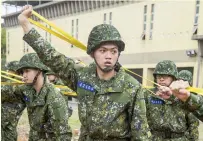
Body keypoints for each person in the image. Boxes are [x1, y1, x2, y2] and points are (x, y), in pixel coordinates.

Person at [18, 5, 151, 140]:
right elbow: (51, 56)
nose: (109, 56)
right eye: (103, 51)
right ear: (93, 53)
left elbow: (141, 134)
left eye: (114, 51)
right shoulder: (82, 77)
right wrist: (25, 24)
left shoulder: (132, 87)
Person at [2, 53, 72, 141]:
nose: (23, 75)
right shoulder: (27, 90)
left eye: (27, 71)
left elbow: (63, 136)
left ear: (39, 70)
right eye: (22, 72)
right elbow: (7, 91)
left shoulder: (54, 98)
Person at [143, 60, 199, 140]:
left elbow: (193, 123)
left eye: (165, 76)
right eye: (158, 76)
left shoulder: (182, 95)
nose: (161, 79)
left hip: (179, 138)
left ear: (173, 77)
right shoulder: (148, 94)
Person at [1, 61, 26, 141]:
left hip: (8, 121)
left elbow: (3, 91)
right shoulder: (11, 82)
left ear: (15, 71)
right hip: (6, 121)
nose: (7, 72)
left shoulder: (18, 84)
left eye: (10, 70)